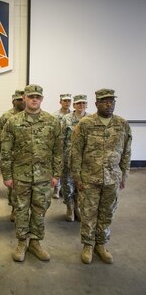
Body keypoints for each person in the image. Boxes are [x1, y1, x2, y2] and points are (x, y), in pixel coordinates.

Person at [0, 84, 62, 262]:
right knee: (20, 209)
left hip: (44, 175)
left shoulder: (52, 121)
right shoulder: (13, 121)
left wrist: (56, 174)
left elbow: (58, 150)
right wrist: (7, 176)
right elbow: (5, 151)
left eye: (38, 96)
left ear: (42, 99)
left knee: (40, 209)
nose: (34, 99)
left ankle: (35, 242)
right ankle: (21, 242)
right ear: (24, 98)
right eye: (31, 96)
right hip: (21, 175)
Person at [71, 88, 132, 265]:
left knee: (106, 213)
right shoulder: (85, 124)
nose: (109, 104)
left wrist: (124, 175)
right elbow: (76, 152)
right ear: (96, 103)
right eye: (105, 101)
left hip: (112, 178)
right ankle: (88, 245)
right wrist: (77, 177)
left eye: (112, 101)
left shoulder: (122, 124)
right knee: (88, 213)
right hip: (89, 178)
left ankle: (101, 244)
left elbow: (127, 152)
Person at [0, 89, 26, 222]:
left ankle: (23, 209)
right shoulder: (6, 116)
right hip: (11, 157)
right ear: (13, 101)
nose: (21, 102)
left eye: (22, 99)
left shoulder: (29, 115)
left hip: (25, 158)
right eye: (18, 99)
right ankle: (14, 208)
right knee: (13, 186)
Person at [61, 94, 89, 222]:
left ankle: (77, 206)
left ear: (86, 105)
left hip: (85, 159)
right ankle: (70, 207)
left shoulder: (91, 119)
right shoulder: (66, 119)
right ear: (74, 105)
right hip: (68, 157)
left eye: (83, 103)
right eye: (78, 103)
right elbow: (60, 138)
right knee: (67, 183)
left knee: (81, 184)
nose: (81, 105)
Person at [52, 93, 72, 199]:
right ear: (60, 102)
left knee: (67, 170)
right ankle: (56, 189)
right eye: (65, 101)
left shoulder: (74, 115)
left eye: (69, 101)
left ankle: (65, 189)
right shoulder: (55, 116)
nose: (67, 103)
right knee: (58, 166)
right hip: (58, 144)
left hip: (68, 146)